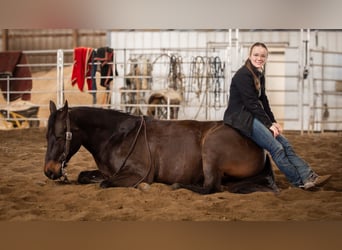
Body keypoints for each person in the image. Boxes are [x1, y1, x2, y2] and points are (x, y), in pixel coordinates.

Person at [223, 42, 331, 190]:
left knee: (285, 144)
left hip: (252, 115)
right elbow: (252, 103)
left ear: (266, 58)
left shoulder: (259, 74)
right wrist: (268, 125)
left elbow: (263, 100)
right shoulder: (243, 75)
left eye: (263, 56)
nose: (259, 58)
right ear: (249, 56)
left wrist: (273, 121)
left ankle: (308, 176)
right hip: (240, 117)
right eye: (256, 55)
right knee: (276, 148)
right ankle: (298, 183)